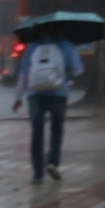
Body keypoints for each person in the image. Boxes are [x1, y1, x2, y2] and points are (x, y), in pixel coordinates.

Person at [12, 34, 84, 184]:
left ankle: (38, 173)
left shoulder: (33, 46)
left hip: (35, 95)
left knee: (37, 131)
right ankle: (52, 162)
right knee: (57, 129)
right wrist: (68, 73)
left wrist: (18, 97)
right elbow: (78, 70)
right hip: (59, 93)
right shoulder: (66, 44)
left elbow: (24, 74)